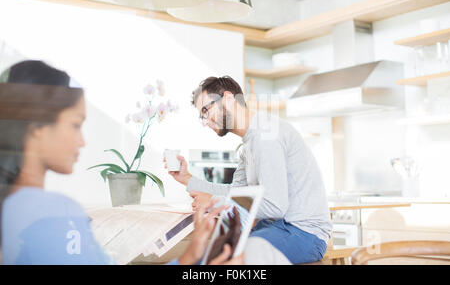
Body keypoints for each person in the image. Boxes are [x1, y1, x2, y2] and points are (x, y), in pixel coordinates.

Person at [0, 60, 243, 265]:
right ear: (37, 129)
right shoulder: (56, 214)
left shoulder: (13, 209)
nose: (82, 141)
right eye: (75, 125)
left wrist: (190, 255)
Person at [166, 76, 332, 265]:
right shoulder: (250, 142)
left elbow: (275, 207)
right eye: (201, 116)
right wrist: (187, 178)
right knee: (207, 256)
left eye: (206, 110)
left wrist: (212, 200)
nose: (204, 121)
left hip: (302, 233)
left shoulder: (264, 135)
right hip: (276, 228)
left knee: (218, 258)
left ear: (228, 99)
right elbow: (235, 192)